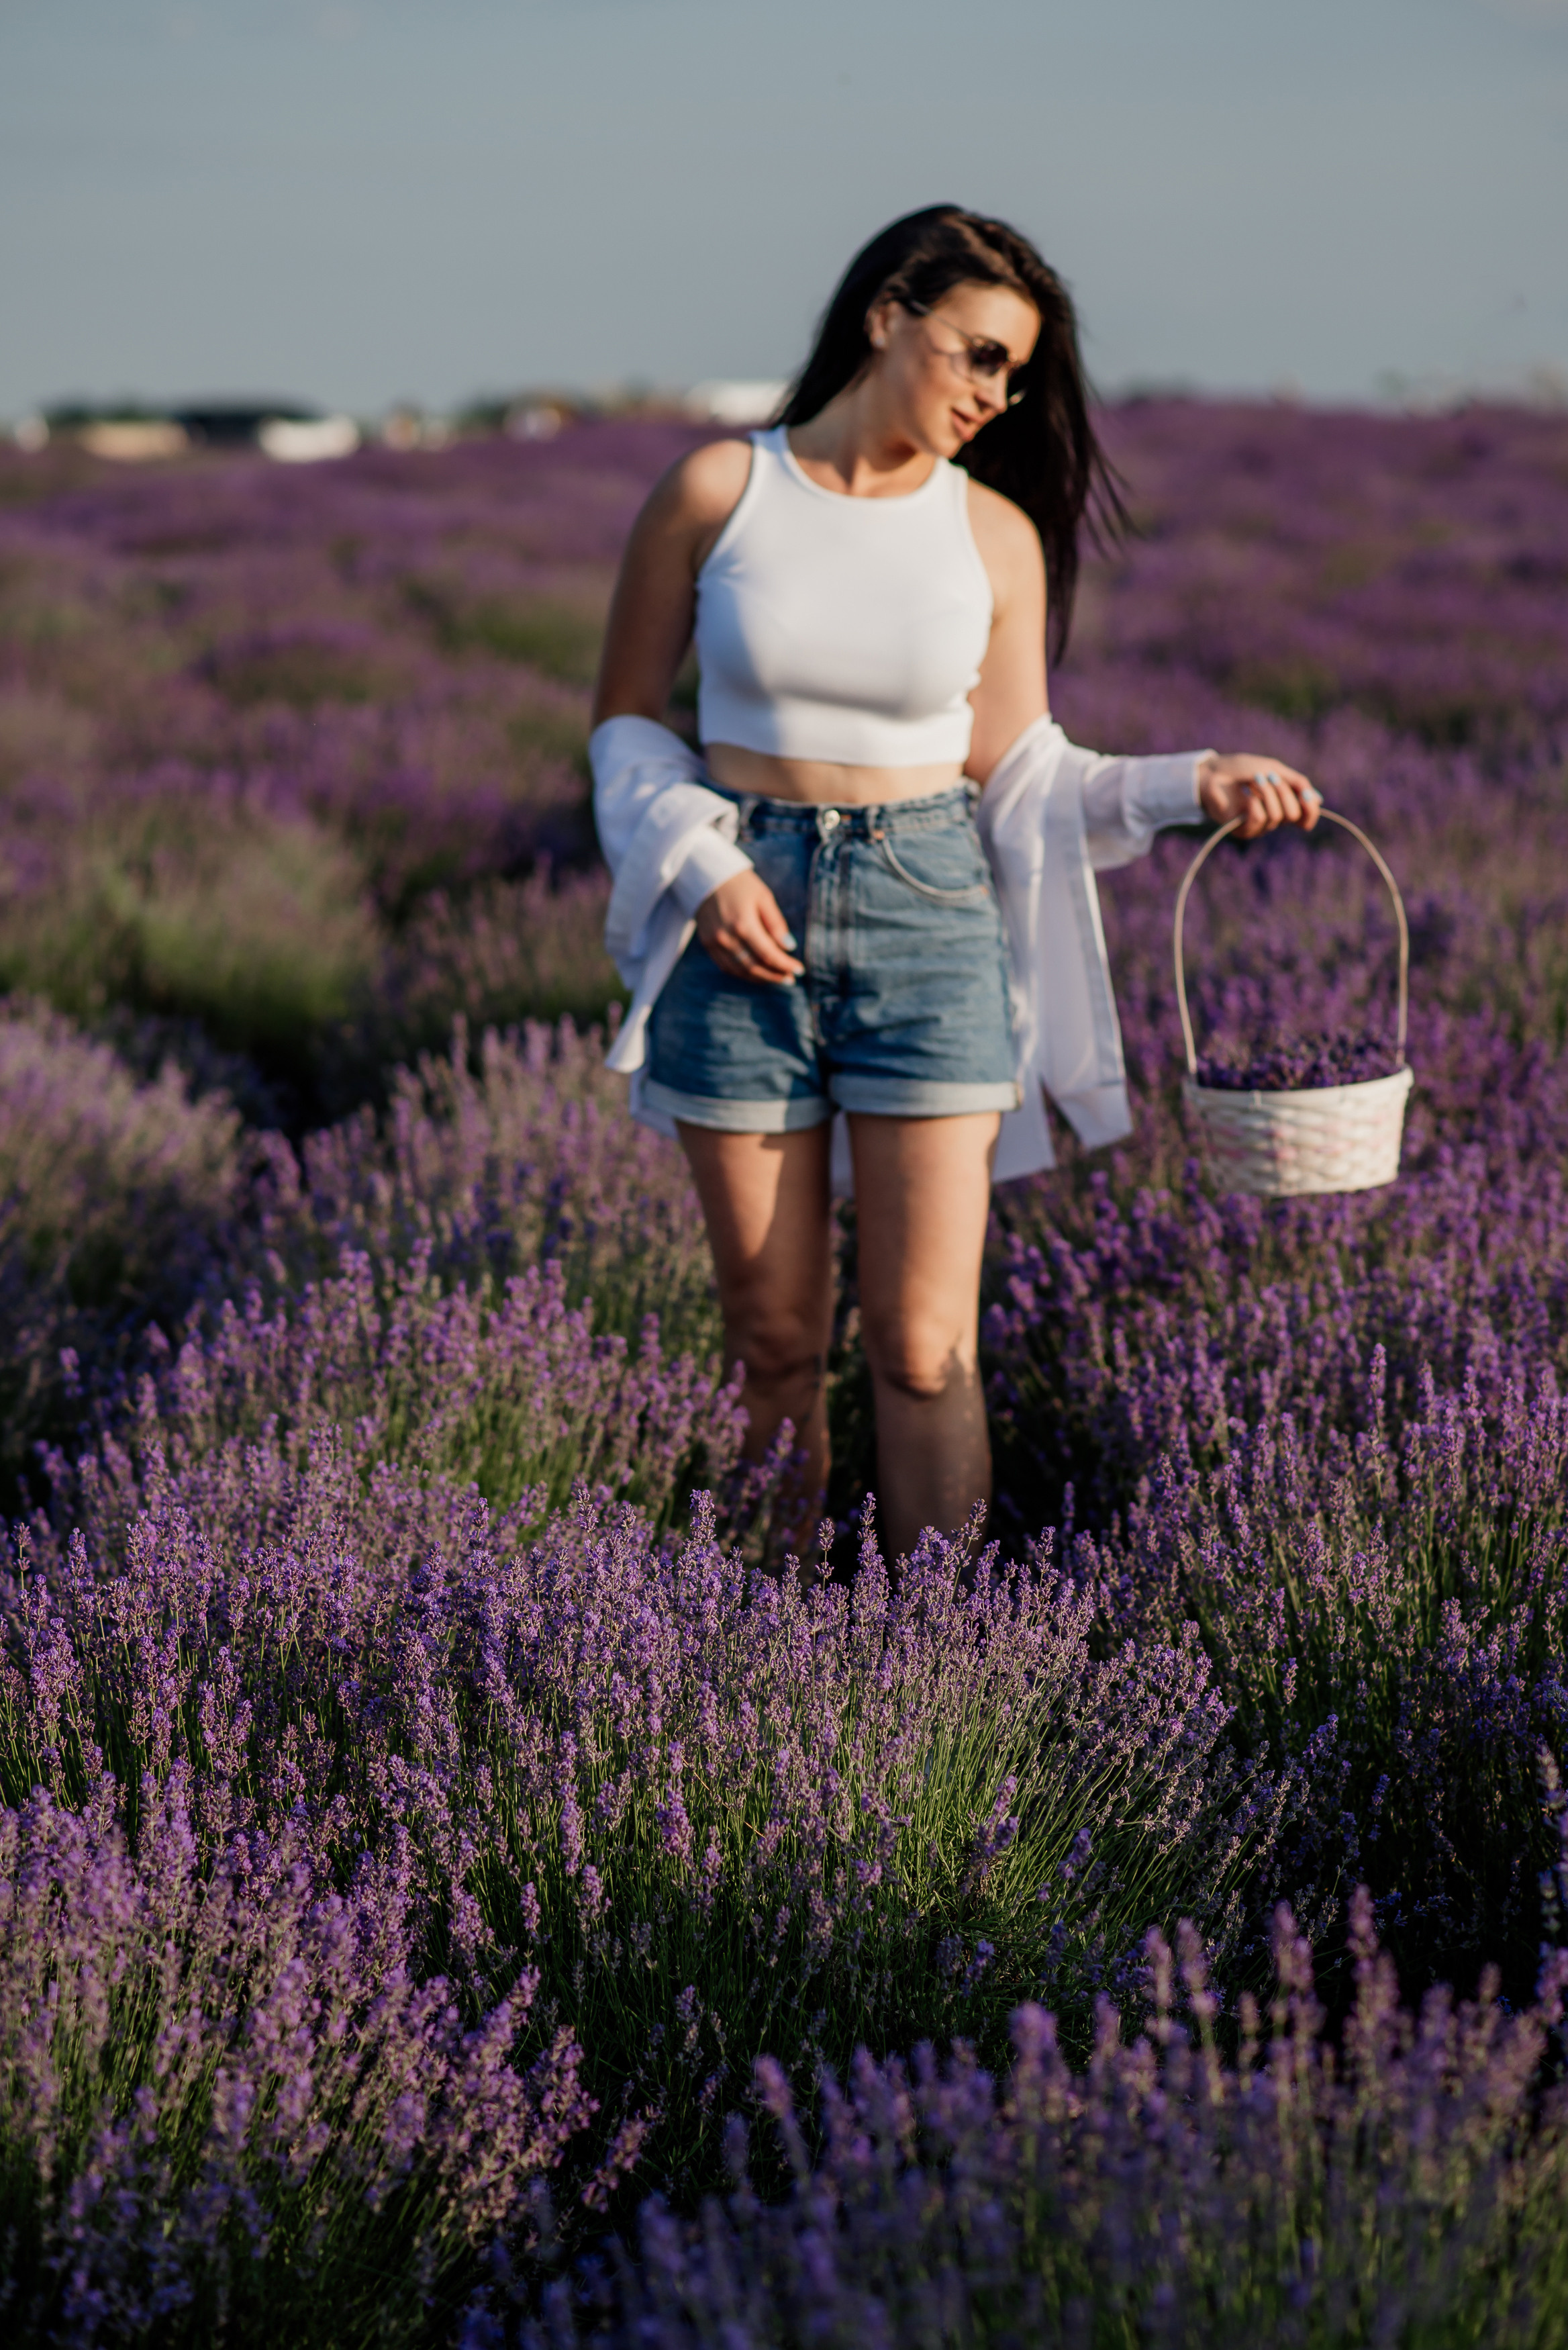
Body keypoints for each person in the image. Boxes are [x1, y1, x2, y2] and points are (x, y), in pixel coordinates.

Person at [590, 205, 1318, 1564]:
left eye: (1012, 374)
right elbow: (626, 720)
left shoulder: (991, 535)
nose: (992, 394)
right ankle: (767, 1659)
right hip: (739, 922)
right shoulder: (715, 491)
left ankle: (943, 1666)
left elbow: (1022, 774)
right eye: (977, 353)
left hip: (927, 919)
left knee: (926, 1352)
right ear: (887, 315)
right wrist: (698, 861)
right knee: (772, 1344)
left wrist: (1189, 779)